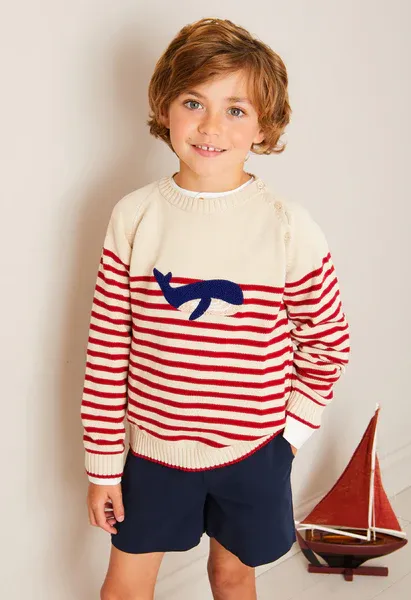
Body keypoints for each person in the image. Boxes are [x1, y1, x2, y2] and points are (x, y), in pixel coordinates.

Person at [80, 17, 351, 600]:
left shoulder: (288, 225)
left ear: (264, 124)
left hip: (254, 453)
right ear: (165, 108)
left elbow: (327, 341)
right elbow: (107, 350)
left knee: (232, 577)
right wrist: (103, 465)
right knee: (124, 587)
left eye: (236, 109)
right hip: (152, 455)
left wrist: (289, 436)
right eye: (193, 102)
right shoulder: (134, 216)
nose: (210, 126)